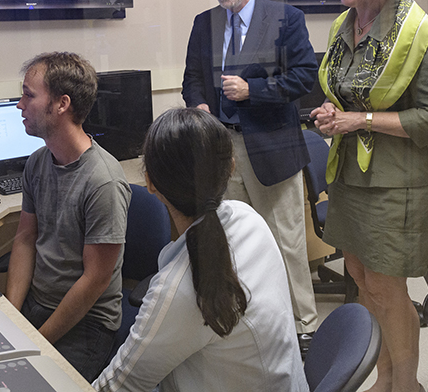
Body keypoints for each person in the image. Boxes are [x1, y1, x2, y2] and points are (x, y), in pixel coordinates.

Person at [310, 0, 428, 392]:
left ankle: (406, 384)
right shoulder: (346, 24)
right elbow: (354, 93)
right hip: (353, 177)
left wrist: (362, 122)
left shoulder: (417, 31)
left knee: (386, 285)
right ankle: (384, 375)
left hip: (401, 181)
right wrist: (334, 111)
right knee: (358, 274)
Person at [93, 107, 307, 392]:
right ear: (231, 167)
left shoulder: (177, 291)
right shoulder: (249, 218)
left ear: (151, 184)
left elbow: (118, 385)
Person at [182, 0, 319, 349]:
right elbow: (192, 76)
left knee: (285, 242)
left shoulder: (284, 18)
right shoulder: (204, 23)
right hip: (222, 148)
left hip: (271, 148)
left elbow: (303, 77)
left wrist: (251, 90)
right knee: (233, 240)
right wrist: (199, 105)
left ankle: (302, 325)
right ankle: (250, 318)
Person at [6, 52, 131, 381]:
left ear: (62, 104)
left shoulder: (103, 181)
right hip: (38, 303)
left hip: (87, 322)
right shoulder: (37, 163)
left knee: (25, 382)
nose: (20, 104)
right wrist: (9, 315)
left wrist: (37, 341)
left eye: (29, 95)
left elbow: (95, 281)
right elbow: (24, 239)